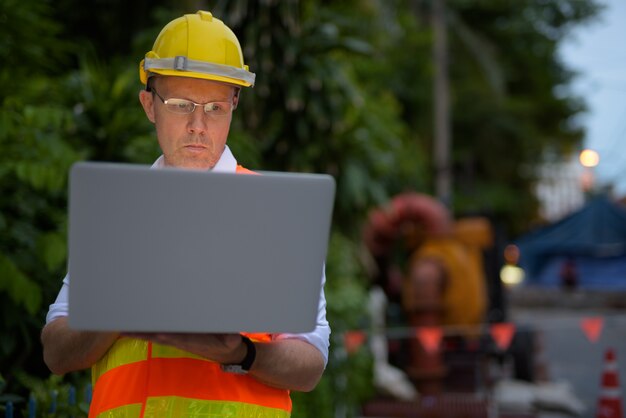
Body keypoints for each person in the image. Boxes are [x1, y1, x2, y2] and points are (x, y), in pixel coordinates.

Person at [41, 10, 330, 418]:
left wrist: (242, 353)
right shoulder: (115, 215)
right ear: (149, 105)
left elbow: (310, 365)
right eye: (180, 104)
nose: (198, 125)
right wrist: (122, 306)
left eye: (214, 108)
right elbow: (56, 351)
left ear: (234, 105)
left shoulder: (275, 214)